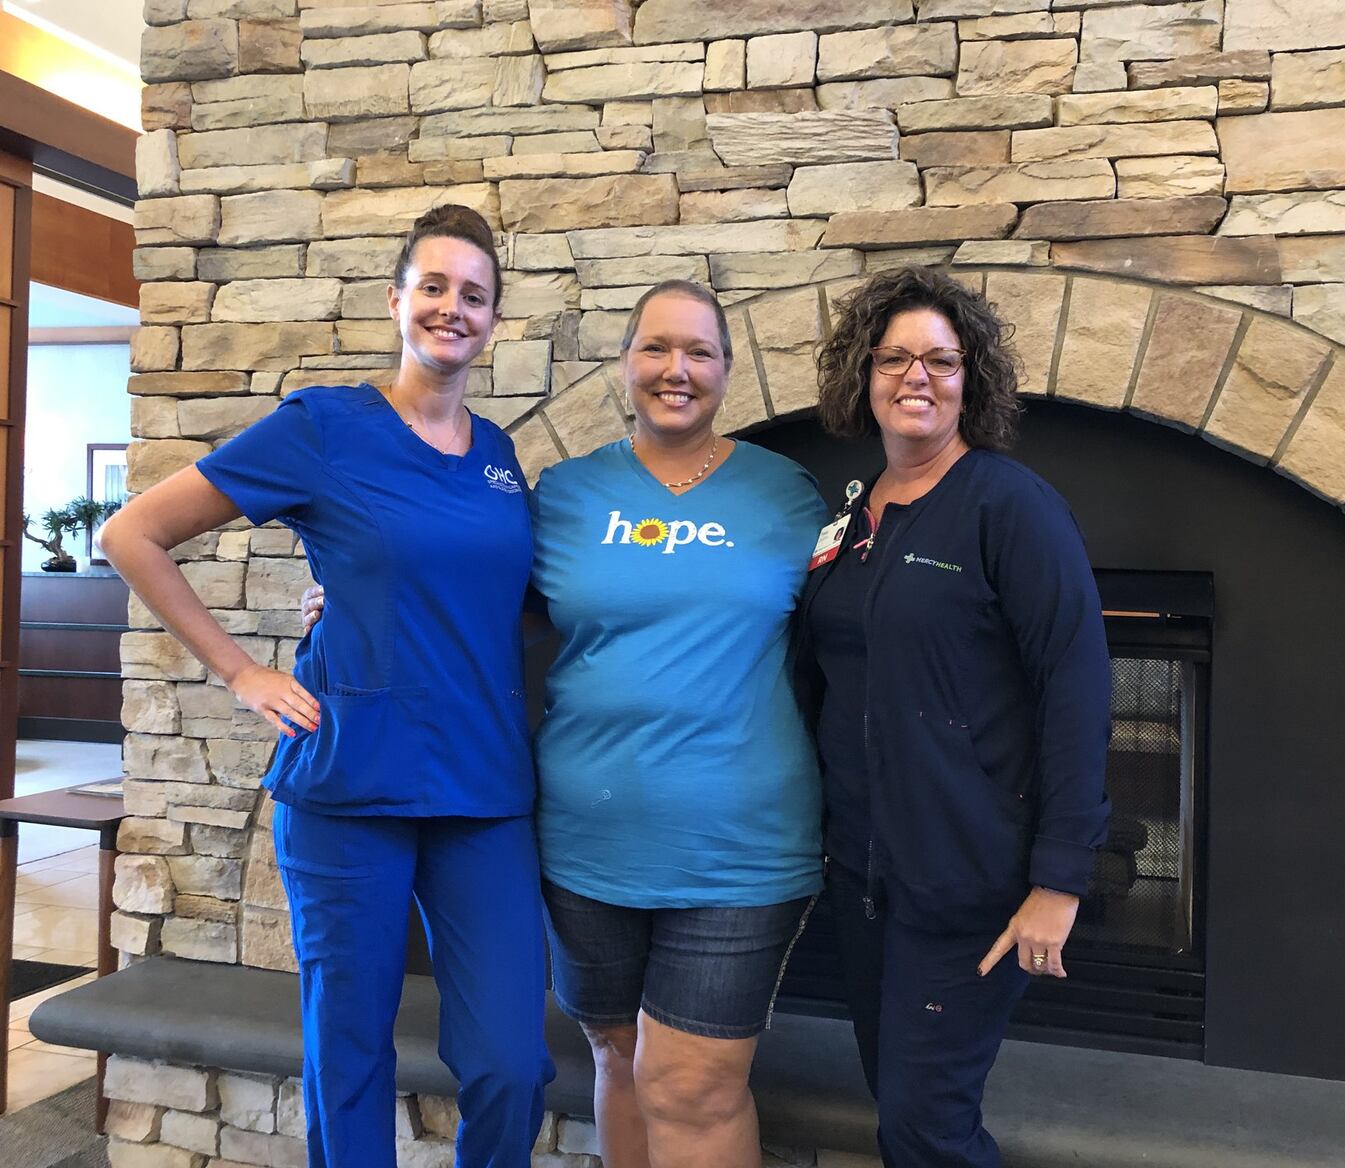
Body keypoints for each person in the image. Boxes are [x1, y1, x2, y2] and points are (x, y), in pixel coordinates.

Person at [305, 279, 826, 1168]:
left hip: (738, 845)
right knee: (618, 1059)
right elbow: (475, 599)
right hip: (584, 844)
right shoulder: (564, 495)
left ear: (728, 372)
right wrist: (356, 602)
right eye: (656, 347)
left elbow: (858, 625)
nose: (677, 369)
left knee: (692, 1085)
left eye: (699, 352)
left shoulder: (790, 498)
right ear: (624, 362)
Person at [101, 205, 553, 1168]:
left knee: (513, 1061)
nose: (451, 308)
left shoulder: (501, 460)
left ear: (494, 321)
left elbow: (492, 597)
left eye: (474, 294)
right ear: (397, 301)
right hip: (349, 783)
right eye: (433, 287)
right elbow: (131, 535)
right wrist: (241, 670)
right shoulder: (323, 426)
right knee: (348, 1056)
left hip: (483, 790)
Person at [798, 267, 1112, 1168]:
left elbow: (1077, 686)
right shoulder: (854, 515)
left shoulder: (1009, 506)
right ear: (864, 375)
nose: (916, 378)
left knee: (925, 1128)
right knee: (902, 1107)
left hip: (968, 886)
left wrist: (1060, 881)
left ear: (972, 380)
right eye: (894, 358)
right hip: (863, 879)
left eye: (941, 359)